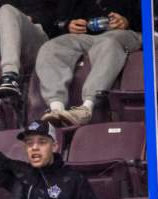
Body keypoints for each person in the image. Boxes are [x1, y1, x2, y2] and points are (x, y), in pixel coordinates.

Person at [36, 0, 143, 128]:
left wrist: (126, 21)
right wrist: (68, 25)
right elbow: (57, 19)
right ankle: (56, 108)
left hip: (123, 33)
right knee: (51, 47)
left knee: (107, 43)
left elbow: (152, 17)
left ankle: (86, 108)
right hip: (85, 37)